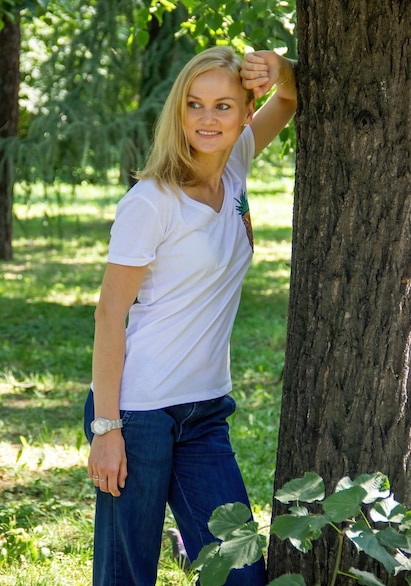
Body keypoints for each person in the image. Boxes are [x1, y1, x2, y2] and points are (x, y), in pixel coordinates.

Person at [84, 45, 297, 586]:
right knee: (127, 575)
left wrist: (280, 68)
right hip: (138, 415)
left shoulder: (237, 166)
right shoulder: (150, 201)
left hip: (204, 414)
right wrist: (107, 430)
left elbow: (290, 97)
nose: (207, 119)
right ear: (178, 112)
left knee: (241, 575)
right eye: (195, 105)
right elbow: (110, 314)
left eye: (223, 106)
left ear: (246, 112)